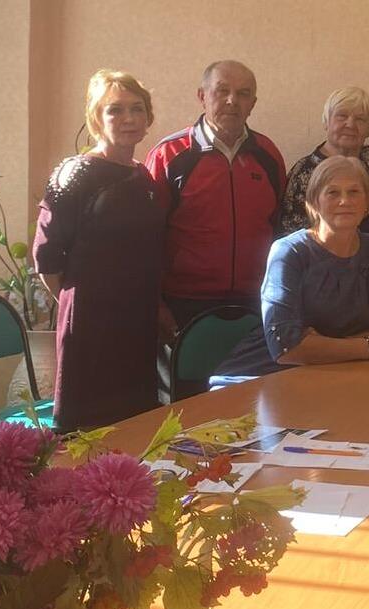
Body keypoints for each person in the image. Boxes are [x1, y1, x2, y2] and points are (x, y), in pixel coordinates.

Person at [145, 60, 285, 398]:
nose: (232, 101)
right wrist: (157, 306)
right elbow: (146, 239)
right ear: (202, 96)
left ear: (253, 103)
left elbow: (278, 227)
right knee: (184, 410)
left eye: (243, 93)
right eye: (222, 91)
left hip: (254, 305)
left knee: (250, 405)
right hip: (184, 306)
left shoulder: (268, 155)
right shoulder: (170, 155)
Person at [34, 69, 164, 432]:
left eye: (137, 109)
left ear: (148, 118)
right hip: (90, 327)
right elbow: (47, 260)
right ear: (96, 118)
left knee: (136, 425)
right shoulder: (74, 175)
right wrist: (82, 308)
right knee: (89, 431)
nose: (128, 118)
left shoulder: (144, 176)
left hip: (137, 322)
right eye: (115, 110)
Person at [213, 155, 369, 382]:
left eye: (354, 192)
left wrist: (319, 345)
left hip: (334, 376)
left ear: (367, 203)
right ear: (314, 203)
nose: (345, 201)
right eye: (332, 193)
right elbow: (286, 349)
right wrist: (367, 346)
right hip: (258, 377)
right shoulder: (289, 252)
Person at [279, 87, 369, 240]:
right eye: (342, 116)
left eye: (360, 119)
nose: (350, 124)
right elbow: (292, 235)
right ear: (326, 122)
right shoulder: (305, 172)